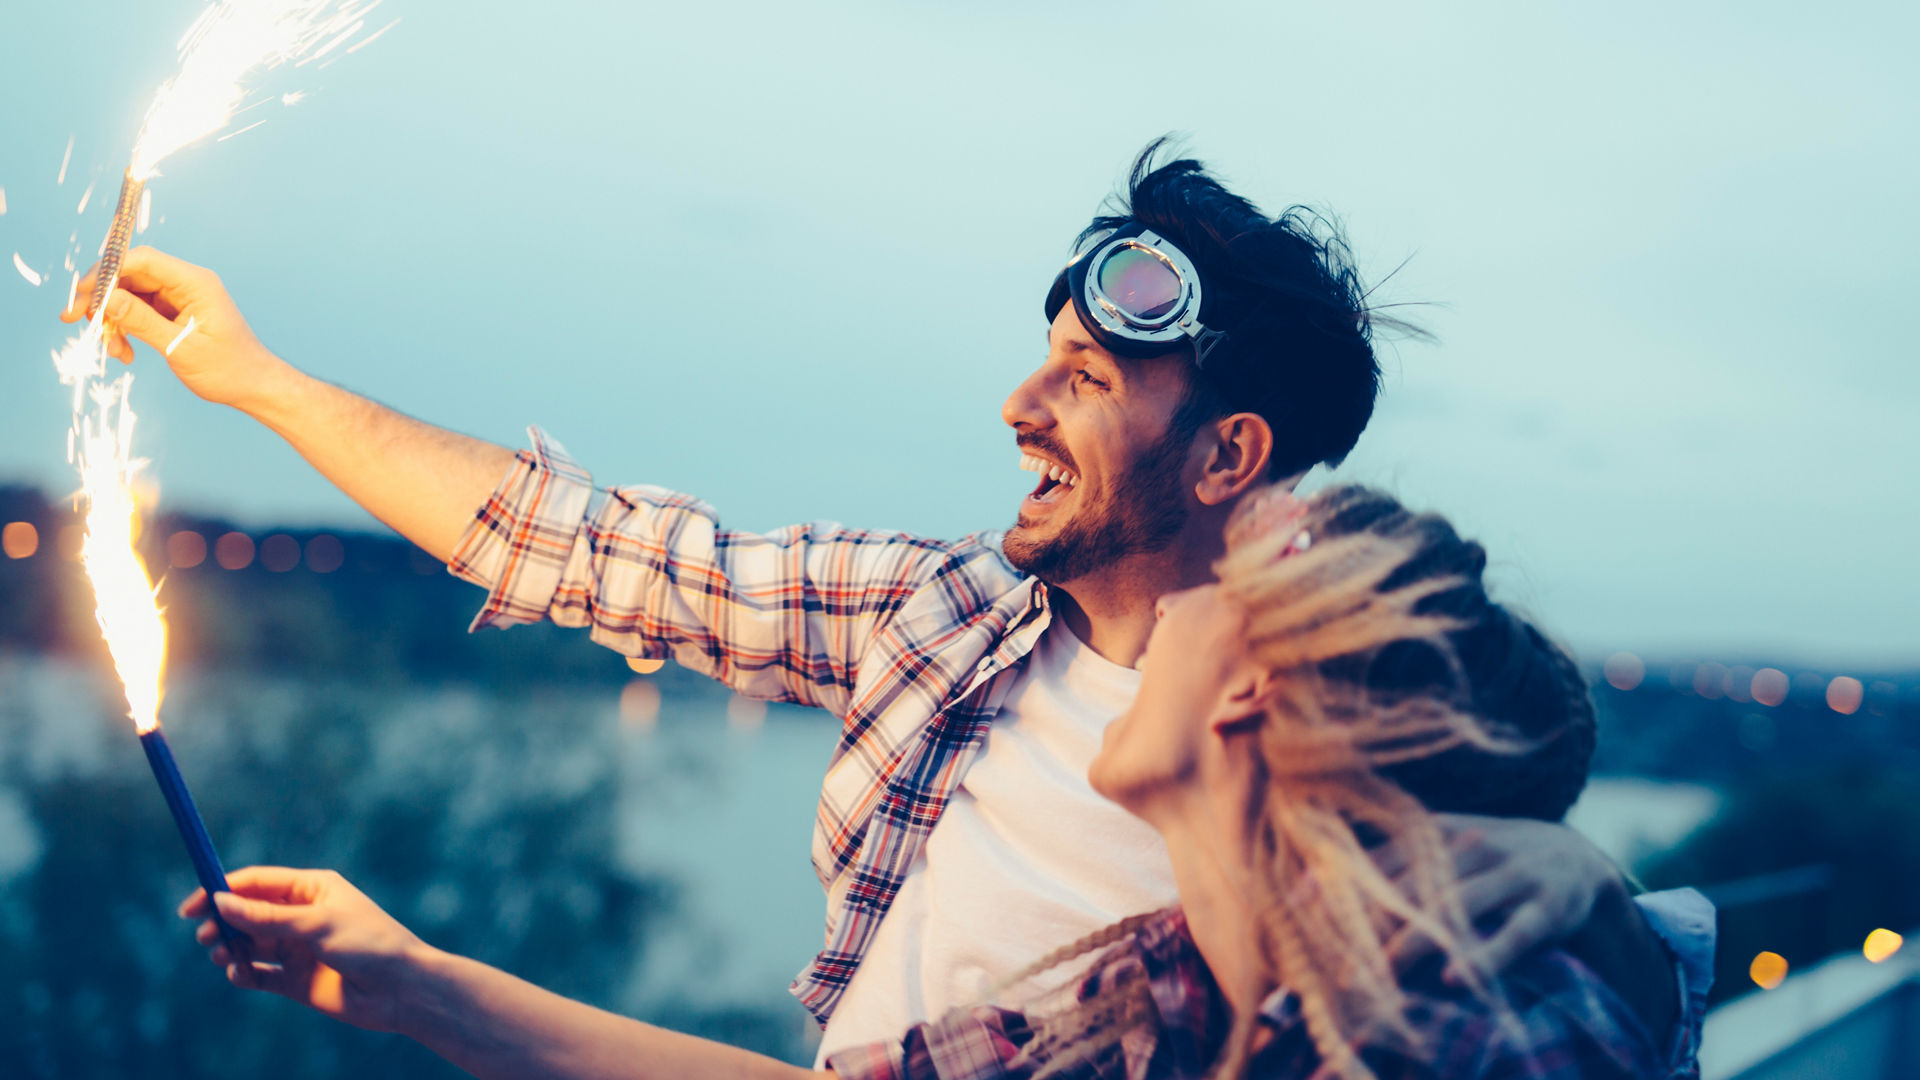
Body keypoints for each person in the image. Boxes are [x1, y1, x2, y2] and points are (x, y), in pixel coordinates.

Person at [71, 143, 1710, 1065]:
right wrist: (261, 384)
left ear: (1229, 453)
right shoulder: (948, 620)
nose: (1017, 403)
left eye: (1080, 375)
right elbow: (582, 546)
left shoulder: (1337, 835)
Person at [181, 483, 1702, 1079]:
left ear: (1246, 689)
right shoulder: (1154, 997)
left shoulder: (1479, 1040)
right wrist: (412, 983)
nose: (1164, 614)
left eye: (1214, 593)